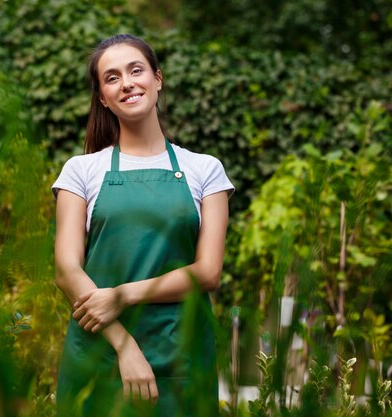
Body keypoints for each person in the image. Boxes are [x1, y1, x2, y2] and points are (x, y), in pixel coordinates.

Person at [52, 34, 234, 417]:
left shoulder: (205, 169)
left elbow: (208, 272)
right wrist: (124, 347)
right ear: (103, 96)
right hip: (100, 352)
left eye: (136, 70)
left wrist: (121, 295)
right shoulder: (82, 170)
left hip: (181, 355)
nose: (127, 83)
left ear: (158, 79)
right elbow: (67, 270)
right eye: (112, 77)